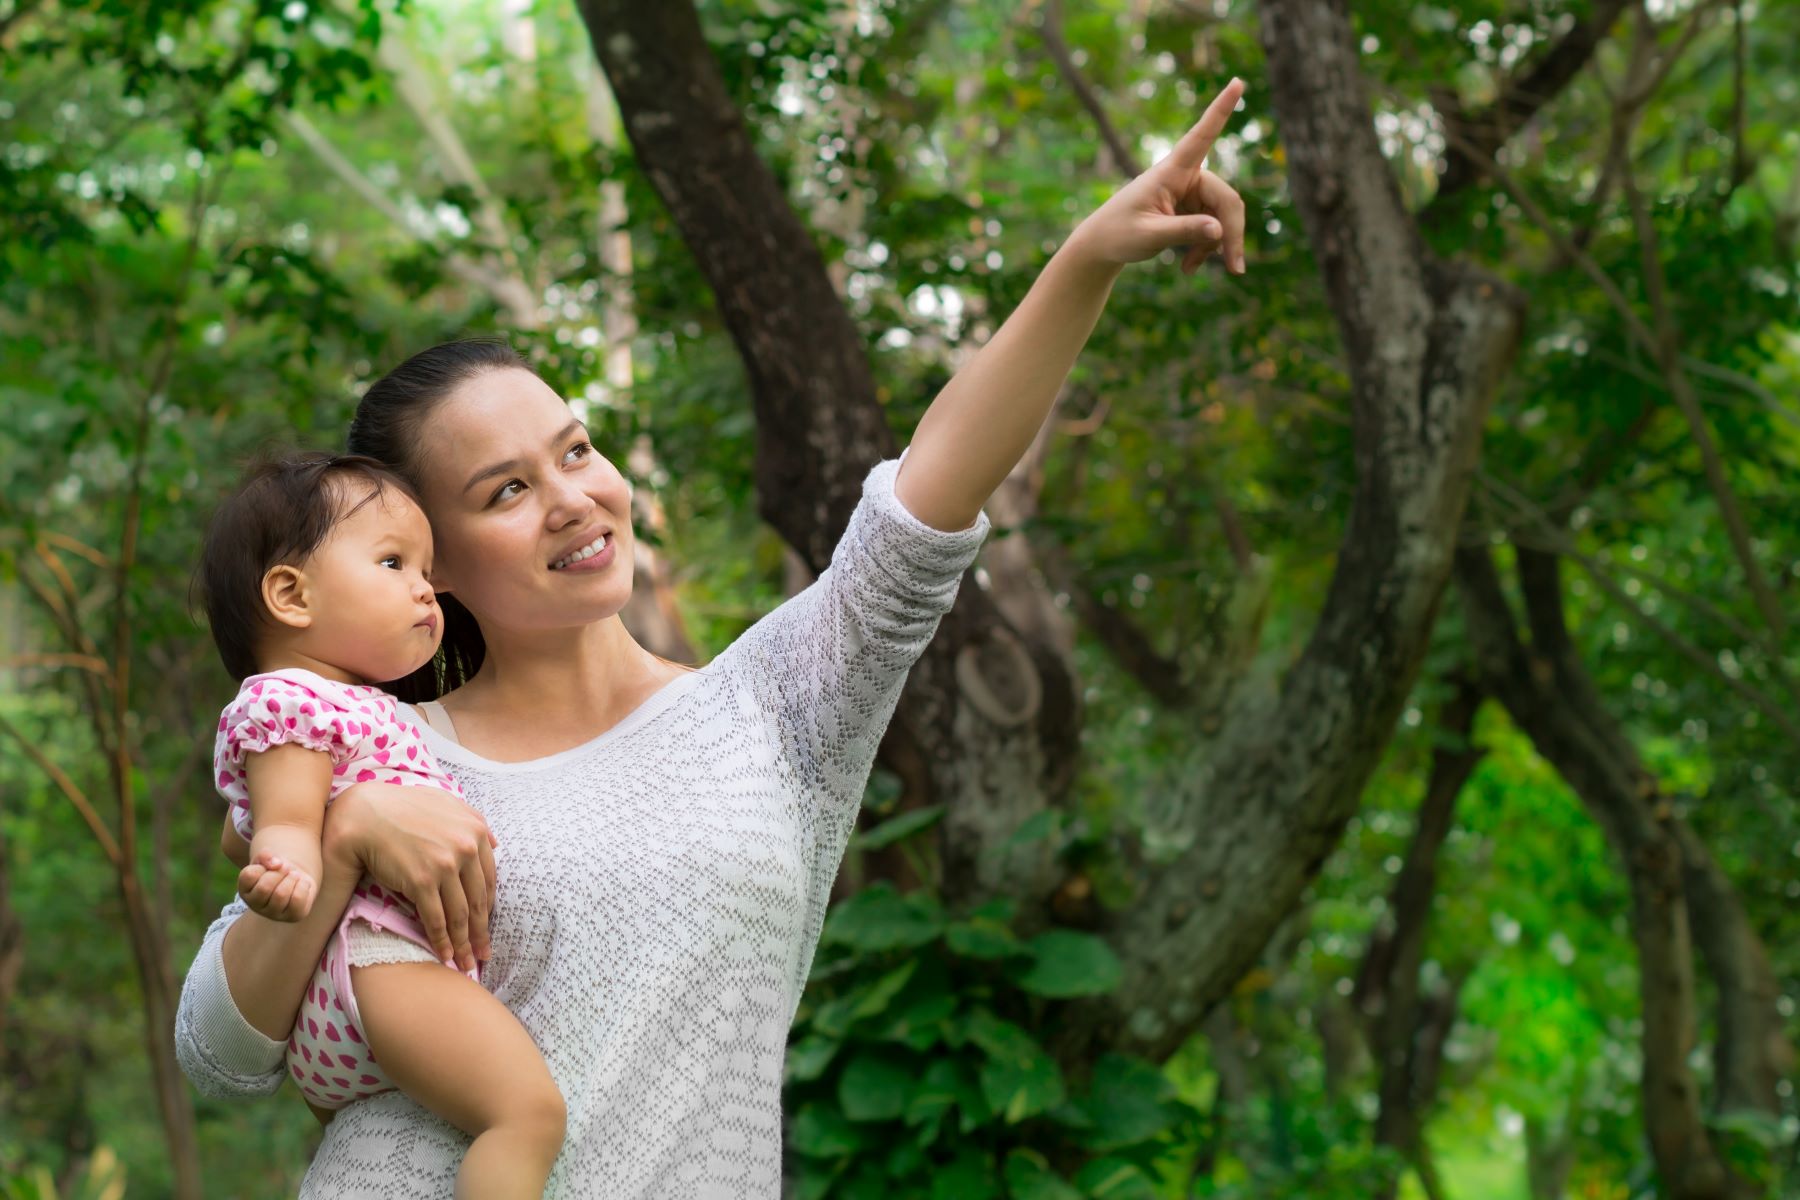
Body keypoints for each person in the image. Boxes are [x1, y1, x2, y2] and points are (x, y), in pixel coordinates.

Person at [173, 76, 1249, 1196]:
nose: (573, 500)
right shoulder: (376, 755)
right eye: (504, 490)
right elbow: (222, 1051)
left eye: (576, 451)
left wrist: (1085, 259)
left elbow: (927, 498)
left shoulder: (773, 709)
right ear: (430, 557)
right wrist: (346, 834)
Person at [196, 451, 565, 1197]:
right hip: (375, 960)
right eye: (394, 563)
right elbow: (286, 823)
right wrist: (287, 865)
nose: (425, 591)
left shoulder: (363, 708)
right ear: (291, 595)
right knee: (526, 1115)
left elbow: (249, 821)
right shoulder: (298, 701)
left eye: (427, 572)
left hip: (374, 980)